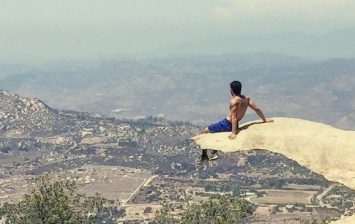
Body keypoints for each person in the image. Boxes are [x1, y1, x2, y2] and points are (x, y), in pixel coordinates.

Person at [198, 81, 272, 162]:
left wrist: (234, 133)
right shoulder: (246, 99)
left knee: (204, 132)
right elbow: (256, 109)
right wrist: (264, 120)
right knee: (216, 134)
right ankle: (213, 152)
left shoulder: (234, 101)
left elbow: (234, 117)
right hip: (234, 124)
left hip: (226, 124)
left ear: (231, 91)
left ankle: (206, 155)